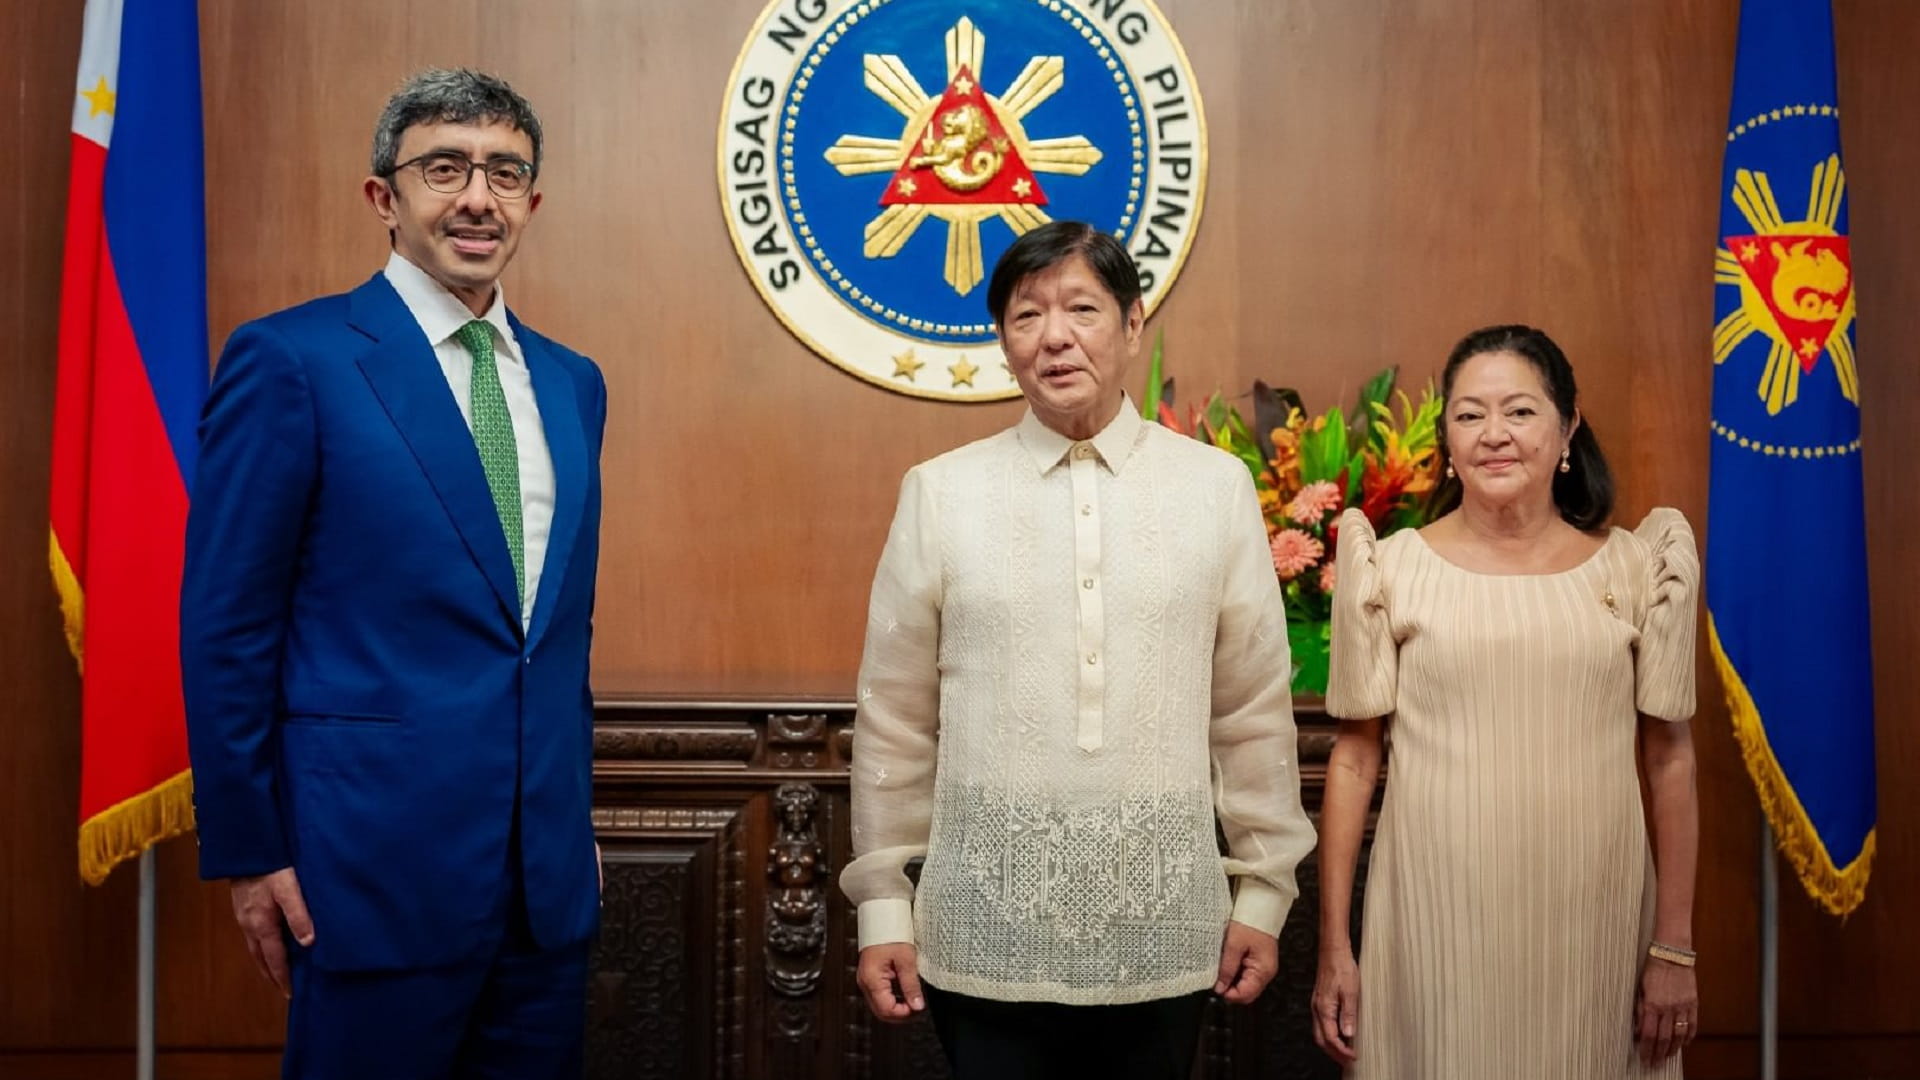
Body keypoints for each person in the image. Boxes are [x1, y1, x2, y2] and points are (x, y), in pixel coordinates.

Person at [181, 68, 607, 1077]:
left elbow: (551, 635)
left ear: (531, 203)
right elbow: (228, 627)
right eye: (445, 168)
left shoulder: (571, 382)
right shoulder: (292, 360)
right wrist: (251, 849)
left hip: (542, 888)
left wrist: (568, 818)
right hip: (363, 876)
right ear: (385, 197)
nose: (477, 197)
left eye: (506, 173)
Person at [842, 220, 1316, 1079]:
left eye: (1081, 309)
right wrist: (883, 905)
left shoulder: (1215, 490)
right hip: (982, 928)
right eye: (1026, 316)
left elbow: (1251, 709)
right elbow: (895, 719)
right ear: (1004, 342)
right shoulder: (942, 493)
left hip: (1168, 929)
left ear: (1134, 325)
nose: (1054, 336)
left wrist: (1265, 892)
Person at [1312, 324, 1701, 1078]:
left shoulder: (1637, 564)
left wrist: (1673, 947)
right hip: (1433, 924)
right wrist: (1336, 946)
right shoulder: (1390, 568)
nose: (1494, 435)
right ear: (1446, 441)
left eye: (1519, 412)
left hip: (1595, 925)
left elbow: (1671, 759)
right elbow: (1356, 760)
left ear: (1567, 428)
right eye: (1468, 415)